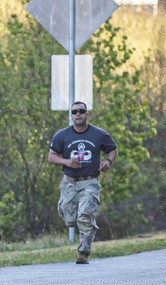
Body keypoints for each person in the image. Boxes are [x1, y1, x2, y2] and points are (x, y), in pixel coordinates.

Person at [46, 101, 118, 265]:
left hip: (90, 181)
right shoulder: (62, 135)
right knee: (70, 219)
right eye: (74, 112)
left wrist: (108, 162)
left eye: (81, 111)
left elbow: (113, 149)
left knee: (85, 215)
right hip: (69, 182)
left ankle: (83, 252)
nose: (78, 114)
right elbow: (51, 156)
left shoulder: (98, 134)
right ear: (71, 115)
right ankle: (75, 219)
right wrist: (66, 161)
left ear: (86, 114)